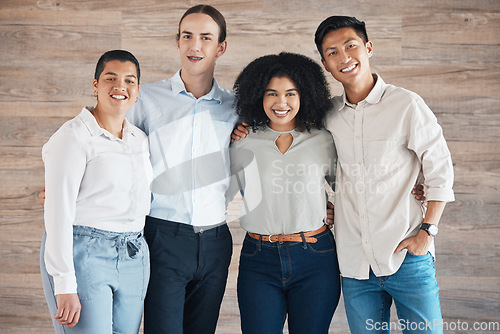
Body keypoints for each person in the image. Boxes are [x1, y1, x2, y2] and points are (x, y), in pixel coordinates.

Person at [313, 16, 455, 333]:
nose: (344, 57)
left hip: (408, 256)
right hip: (354, 265)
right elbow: (303, 155)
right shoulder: (327, 116)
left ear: (368, 47)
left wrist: (427, 232)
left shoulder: (406, 104)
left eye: (351, 46)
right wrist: (327, 202)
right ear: (325, 63)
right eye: (333, 52)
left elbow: (440, 169)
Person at [125, 5, 237, 334]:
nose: (195, 45)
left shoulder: (235, 107)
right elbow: (113, 149)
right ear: (177, 42)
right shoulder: (146, 99)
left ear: (221, 47)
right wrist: (72, 189)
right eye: (187, 36)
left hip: (216, 240)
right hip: (162, 237)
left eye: (206, 37)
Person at [227, 52, 341, 334]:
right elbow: (222, 193)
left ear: (305, 95)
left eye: (291, 93)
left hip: (315, 257)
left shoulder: (322, 140)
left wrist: (337, 208)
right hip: (258, 257)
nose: (281, 103)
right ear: (258, 96)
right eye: (271, 94)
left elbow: (349, 188)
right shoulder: (242, 141)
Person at [40, 50, 152, 333]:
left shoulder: (139, 139)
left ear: (137, 91)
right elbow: (57, 214)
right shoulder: (73, 136)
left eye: (129, 80)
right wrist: (64, 283)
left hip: (134, 254)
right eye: (110, 78)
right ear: (95, 85)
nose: (120, 87)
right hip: (86, 252)